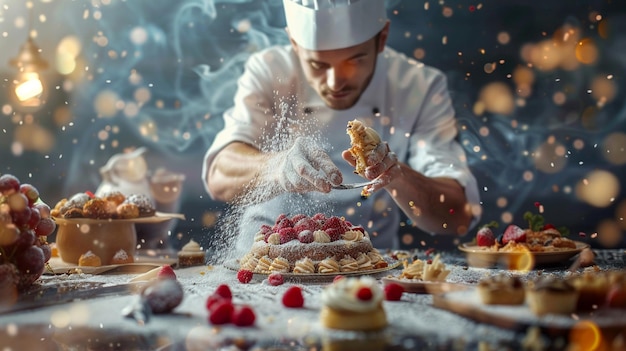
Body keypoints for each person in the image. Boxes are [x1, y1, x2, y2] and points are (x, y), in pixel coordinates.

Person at [202, 0, 481, 254]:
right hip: (264, 262)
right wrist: (277, 167)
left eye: (355, 60)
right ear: (294, 44)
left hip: (371, 268)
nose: (336, 82)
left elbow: (458, 217)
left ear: (382, 38)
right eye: (318, 64)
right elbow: (219, 175)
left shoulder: (418, 85)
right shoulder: (268, 70)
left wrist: (397, 176)